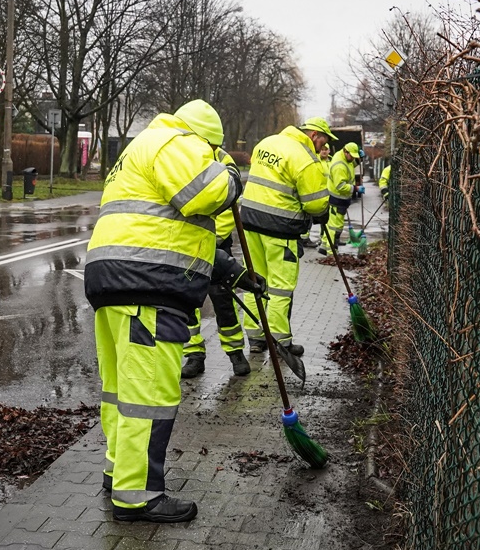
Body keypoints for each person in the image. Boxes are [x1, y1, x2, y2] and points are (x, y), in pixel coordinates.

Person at [84, 99, 262, 523]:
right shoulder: (175, 141)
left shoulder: (143, 149)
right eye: (212, 154)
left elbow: (173, 231)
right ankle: (138, 496)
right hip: (148, 288)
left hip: (117, 282)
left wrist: (234, 274)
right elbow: (210, 191)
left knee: (121, 391)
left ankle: (119, 473)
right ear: (204, 142)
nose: (212, 161)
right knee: (150, 396)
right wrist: (232, 174)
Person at [241, 116, 333, 361]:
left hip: (249, 222)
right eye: (323, 141)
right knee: (281, 288)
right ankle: (281, 342)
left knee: (255, 281)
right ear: (314, 135)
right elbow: (315, 204)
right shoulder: (305, 158)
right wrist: (324, 212)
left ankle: (256, 338)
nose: (323, 147)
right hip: (280, 229)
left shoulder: (267, 143)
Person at [181, 146, 252, 379]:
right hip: (186, 246)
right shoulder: (180, 155)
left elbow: (225, 207)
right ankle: (194, 355)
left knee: (223, 300)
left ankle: (235, 352)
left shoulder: (221, 159)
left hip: (215, 243)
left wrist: (210, 241)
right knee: (187, 303)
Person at [320, 142, 361, 255]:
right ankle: (331, 250)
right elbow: (340, 186)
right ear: (345, 151)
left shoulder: (345, 158)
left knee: (332, 225)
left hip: (340, 199)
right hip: (336, 199)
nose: (353, 158)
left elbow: (352, 164)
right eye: (351, 155)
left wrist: (360, 158)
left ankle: (324, 246)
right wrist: (356, 188)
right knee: (335, 227)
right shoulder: (339, 166)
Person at [298, 144, 331, 250]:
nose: (324, 152)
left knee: (326, 218)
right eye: (322, 149)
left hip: (328, 194)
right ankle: (304, 238)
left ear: (329, 151)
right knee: (311, 217)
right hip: (315, 194)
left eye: (326, 150)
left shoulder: (332, 162)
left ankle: (323, 238)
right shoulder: (315, 161)